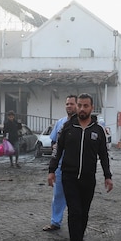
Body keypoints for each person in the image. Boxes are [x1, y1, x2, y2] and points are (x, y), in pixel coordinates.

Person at [47, 94, 113, 241]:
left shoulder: (97, 130)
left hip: (88, 179)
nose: (82, 109)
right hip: (69, 177)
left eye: (86, 106)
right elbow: (57, 150)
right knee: (74, 211)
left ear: (92, 108)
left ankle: (78, 240)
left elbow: (104, 155)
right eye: (80, 105)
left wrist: (107, 176)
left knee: (84, 213)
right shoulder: (67, 128)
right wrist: (52, 170)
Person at [43, 95, 78, 232]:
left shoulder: (80, 124)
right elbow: (53, 141)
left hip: (75, 167)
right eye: (67, 104)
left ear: (77, 105)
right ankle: (55, 222)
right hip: (60, 166)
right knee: (58, 195)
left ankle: (75, 225)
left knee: (75, 197)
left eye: (72, 104)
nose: (69, 106)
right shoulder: (60, 123)